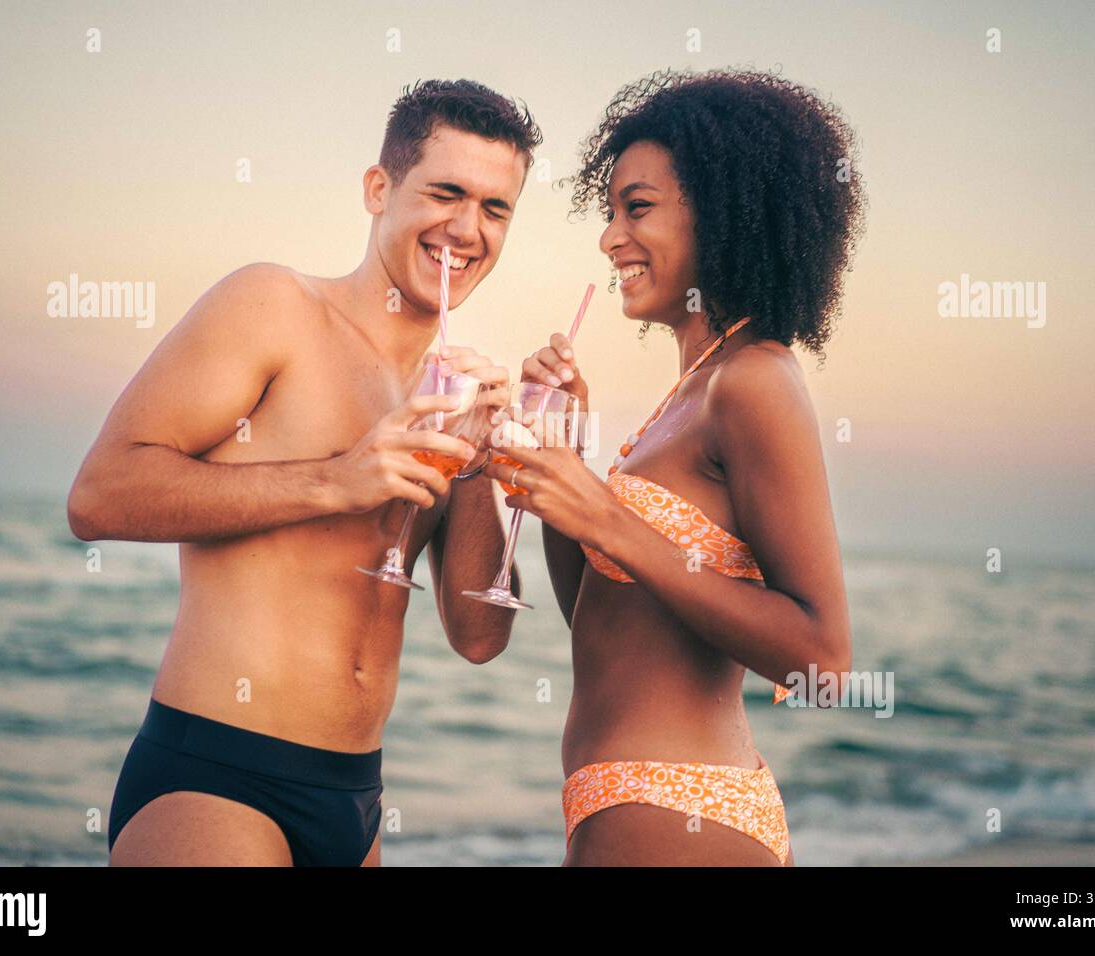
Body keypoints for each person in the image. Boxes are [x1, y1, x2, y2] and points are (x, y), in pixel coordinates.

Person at [67, 79, 542, 866]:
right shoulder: (273, 305)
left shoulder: (448, 395)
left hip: (356, 799)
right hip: (219, 777)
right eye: (447, 193)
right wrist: (336, 479)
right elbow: (99, 495)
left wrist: (482, 467)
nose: (467, 228)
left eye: (495, 209)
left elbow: (480, 636)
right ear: (378, 189)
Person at [486, 67, 864, 865]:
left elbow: (824, 660)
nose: (609, 237)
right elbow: (600, 620)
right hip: (623, 809)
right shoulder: (689, 393)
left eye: (638, 208)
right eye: (610, 209)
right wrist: (570, 460)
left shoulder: (753, 380)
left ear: (722, 216)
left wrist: (609, 518)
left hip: (678, 813)